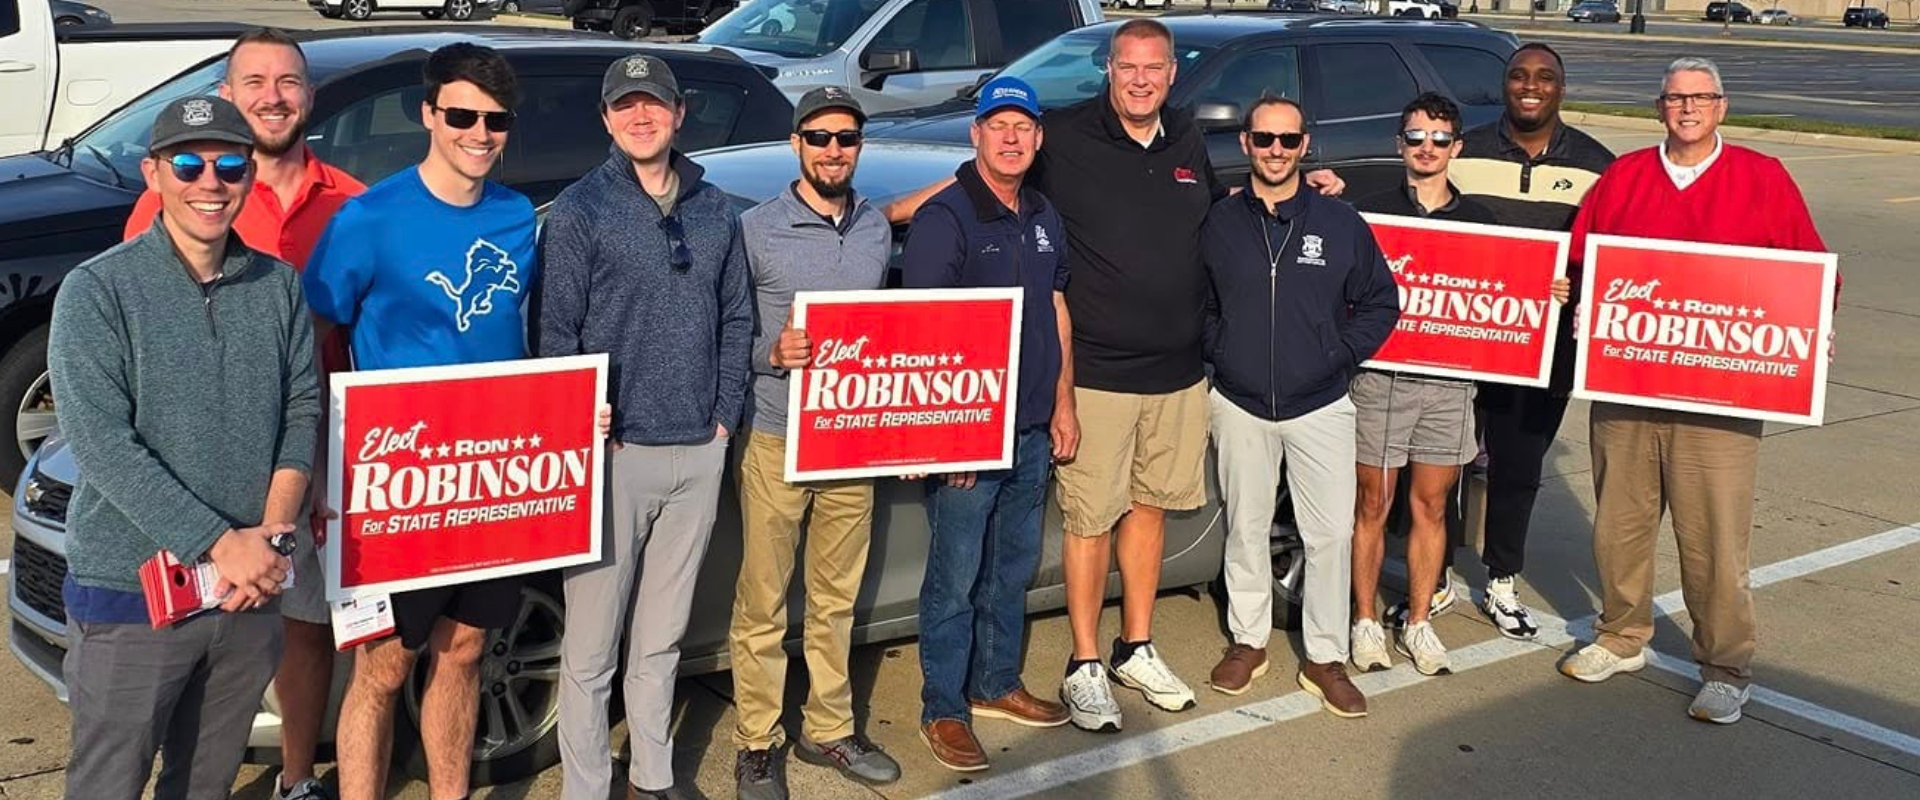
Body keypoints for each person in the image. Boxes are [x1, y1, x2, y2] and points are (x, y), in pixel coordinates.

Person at [50, 94, 315, 800]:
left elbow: (301, 411)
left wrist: (270, 540)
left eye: (230, 164)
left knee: (206, 781)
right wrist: (220, 544)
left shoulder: (279, 285)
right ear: (154, 173)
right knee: (109, 780)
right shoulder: (97, 289)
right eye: (188, 163)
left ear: (250, 175)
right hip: (133, 590)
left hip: (247, 591)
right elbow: (102, 441)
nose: (210, 181)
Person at [121, 29, 363, 800]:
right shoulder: (188, 188)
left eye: (288, 81)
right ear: (228, 95)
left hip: (315, 440)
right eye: (253, 81)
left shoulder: (353, 203)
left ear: (310, 97)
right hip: (202, 444)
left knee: (302, 619)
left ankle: (296, 777)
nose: (272, 95)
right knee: (196, 618)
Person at [1558, 57, 1828, 725]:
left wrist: (1812, 329)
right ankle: (1621, 636)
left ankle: (1726, 666)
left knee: (1714, 537)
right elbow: (1581, 256)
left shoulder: (1762, 179)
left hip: (1719, 398)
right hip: (1628, 384)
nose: (1687, 108)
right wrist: (1569, 288)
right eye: (1676, 98)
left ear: (1722, 107)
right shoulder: (1625, 176)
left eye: (1700, 98)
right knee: (1619, 526)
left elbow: (1808, 272)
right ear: (1659, 108)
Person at [302, 43, 538, 800]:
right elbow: (314, 337)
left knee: (466, 649)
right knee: (382, 666)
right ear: (430, 115)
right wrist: (317, 460)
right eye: (462, 115)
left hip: (488, 477)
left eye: (495, 119)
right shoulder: (367, 220)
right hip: (394, 480)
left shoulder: (516, 218)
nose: (479, 132)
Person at [538, 54, 751, 800]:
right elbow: (556, 331)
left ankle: (653, 778)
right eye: (625, 106)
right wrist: (580, 418)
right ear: (606, 118)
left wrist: (724, 418)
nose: (641, 116)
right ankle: (587, 787)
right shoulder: (578, 212)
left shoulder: (716, 207)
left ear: (678, 113)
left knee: (660, 641)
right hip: (615, 453)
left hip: (699, 449)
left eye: (653, 105)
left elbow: (736, 317)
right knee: (592, 648)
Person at [726, 86, 899, 800]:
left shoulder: (874, 230)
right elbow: (730, 332)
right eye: (820, 137)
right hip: (774, 434)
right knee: (763, 600)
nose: (834, 150)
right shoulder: (757, 229)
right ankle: (756, 743)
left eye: (847, 138)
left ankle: (828, 727)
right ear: (797, 143)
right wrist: (775, 351)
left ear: (860, 147)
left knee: (835, 596)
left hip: (849, 440)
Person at [900, 76, 1076, 772]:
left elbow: (1058, 308)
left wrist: (1063, 400)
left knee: (1010, 570)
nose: (1011, 138)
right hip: (971, 434)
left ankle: (996, 683)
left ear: (1037, 139)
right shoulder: (947, 217)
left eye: (1023, 127)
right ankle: (943, 706)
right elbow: (924, 332)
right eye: (997, 125)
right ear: (973, 135)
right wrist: (951, 432)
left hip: (1032, 426)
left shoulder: (1041, 212)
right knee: (954, 578)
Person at [1201, 94, 1398, 715]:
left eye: (1288, 141)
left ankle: (1324, 656)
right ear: (1246, 146)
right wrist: (1221, 351)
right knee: (1247, 526)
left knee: (1329, 533)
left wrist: (1336, 356)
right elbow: (1200, 302)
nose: (1276, 151)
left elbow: (1380, 303)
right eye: (1265, 140)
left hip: (1320, 403)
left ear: (1306, 144)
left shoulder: (1340, 222)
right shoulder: (1220, 222)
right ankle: (1248, 640)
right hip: (1239, 400)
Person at [1445, 42, 1615, 639]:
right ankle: (1436, 570)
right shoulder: (1465, 151)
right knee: (1443, 461)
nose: (1530, 85)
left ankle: (1500, 577)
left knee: (1518, 467)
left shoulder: (1598, 166)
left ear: (1561, 89)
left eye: (1544, 77)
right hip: (1465, 332)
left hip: (1544, 348)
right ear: (1505, 85)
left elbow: (1613, 255)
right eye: (1518, 75)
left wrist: (1582, 286)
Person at [1346, 92, 1502, 678]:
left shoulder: (1482, 222)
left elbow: (1503, 297)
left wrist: (1547, 291)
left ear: (1456, 148)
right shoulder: (1369, 212)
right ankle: (1364, 620)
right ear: (1399, 145)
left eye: (1439, 139)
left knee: (1431, 505)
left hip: (1448, 386)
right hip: (1381, 381)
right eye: (1415, 137)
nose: (1427, 148)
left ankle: (1417, 621)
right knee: (1372, 505)